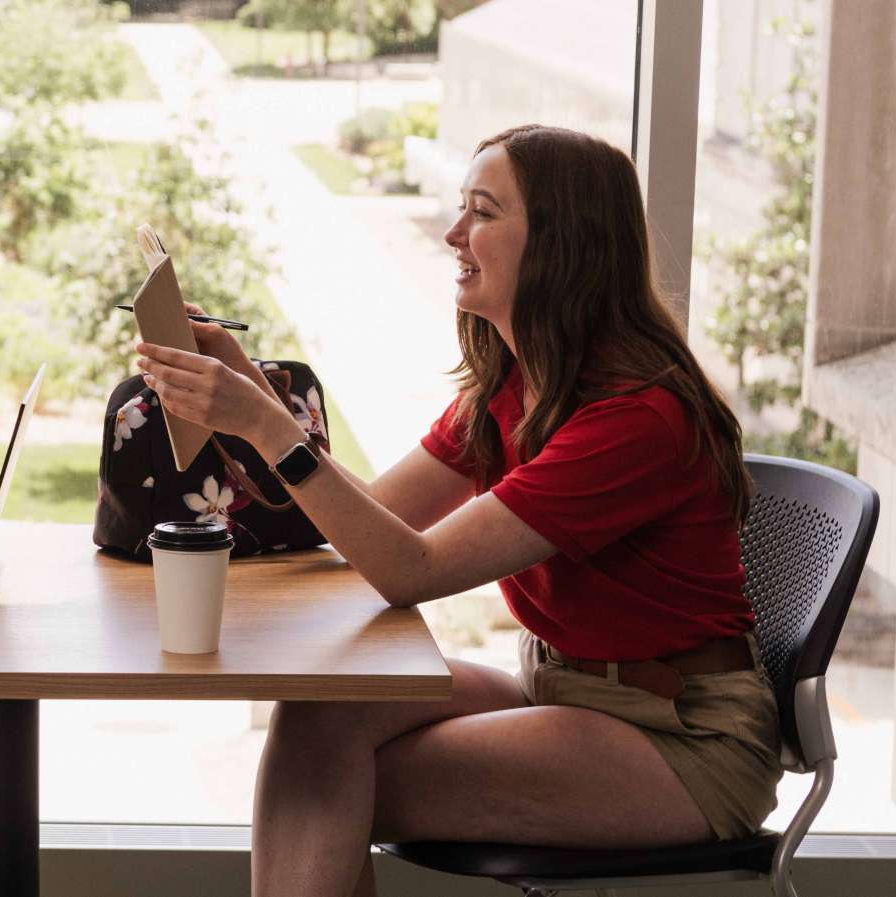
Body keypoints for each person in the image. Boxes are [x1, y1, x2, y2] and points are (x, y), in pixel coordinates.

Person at [134, 124, 779, 897]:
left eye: (482, 212)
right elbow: (370, 516)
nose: (452, 234)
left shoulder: (635, 418)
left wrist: (268, 425)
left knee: (333, 783)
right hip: (564, 690)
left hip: (682, 738)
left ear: (562, 244)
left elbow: (411, 569)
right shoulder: (513, 387)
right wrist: (253, 389)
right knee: (320, 719)